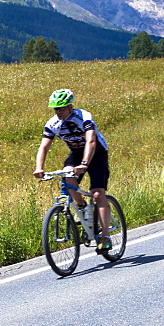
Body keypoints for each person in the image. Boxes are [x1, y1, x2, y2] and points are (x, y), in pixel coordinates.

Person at [32, 88, 112, 250]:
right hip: (76, 153)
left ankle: (105, 236)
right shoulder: (53, 123)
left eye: (61, 108)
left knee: (97, 193)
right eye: (55, 108)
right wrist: (39, 168)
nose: (58, 112)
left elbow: (91, 142)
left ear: (70, 106)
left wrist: (84, 164)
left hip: (96, 153)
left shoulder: (83, 117)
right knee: (68, 178)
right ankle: (82, 207)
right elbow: (44, 147)